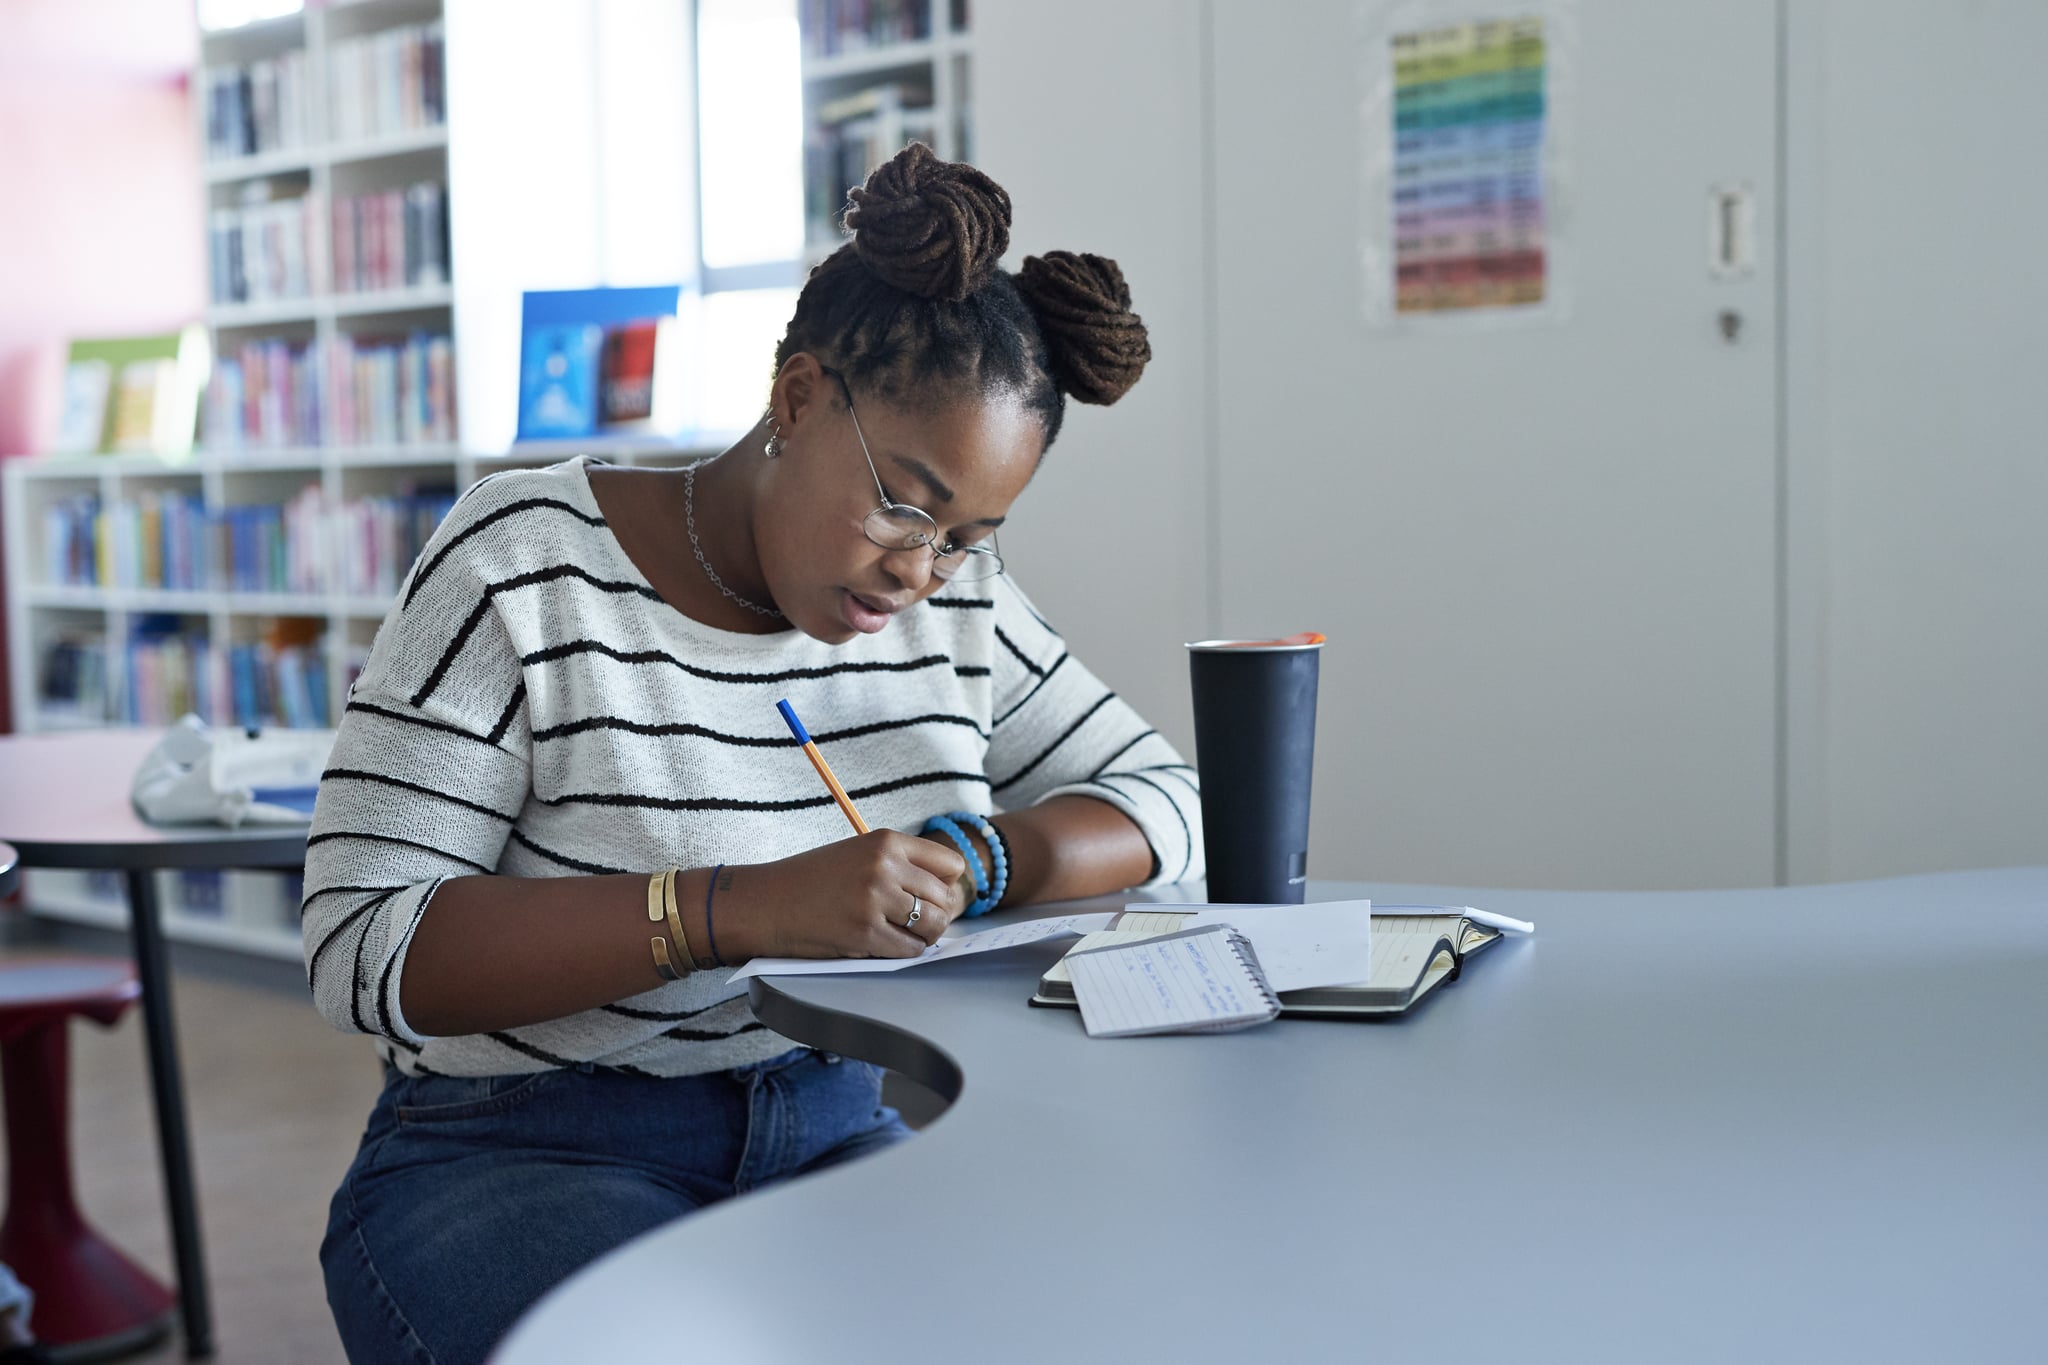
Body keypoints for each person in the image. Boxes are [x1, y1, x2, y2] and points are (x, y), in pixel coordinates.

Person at [306, 142, 1203, 1364]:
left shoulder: (954, 600)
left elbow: (1165, 804)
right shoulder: (520, 561)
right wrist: (735, 910)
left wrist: (984, 858)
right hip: (523, 1145)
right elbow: (364, 947)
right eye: (903, 504)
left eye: (966, 535)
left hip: (830, 1124)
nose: (919, 569)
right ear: (794, 398)